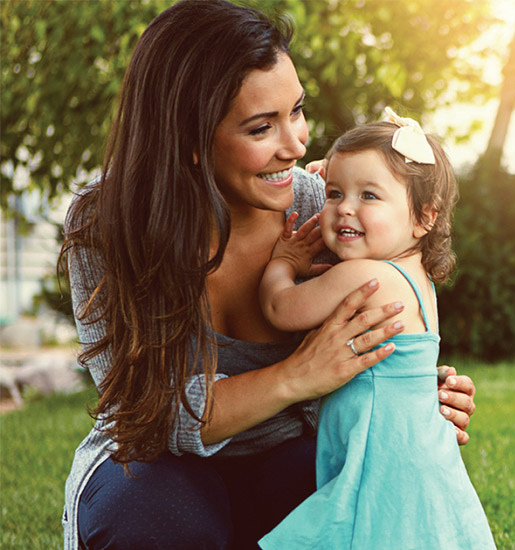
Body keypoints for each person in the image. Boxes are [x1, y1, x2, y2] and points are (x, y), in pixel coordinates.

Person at [58, 2, 478, 549]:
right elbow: (146, 414)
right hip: (155, 465)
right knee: (163, 518)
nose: (297, 144)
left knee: (357, 504)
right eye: (262, 127)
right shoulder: (108, 224)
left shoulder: (321, 211)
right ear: (187, 138)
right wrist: (294, 376)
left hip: (287, 453)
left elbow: (381, 314)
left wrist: (417, 392)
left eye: (296, 111)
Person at [257, 109, 494, 549]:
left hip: (382, 462)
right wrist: (348, 187)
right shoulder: (416, 278)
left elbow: (280, 307)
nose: (345, 207)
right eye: (333, 193)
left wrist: (283, 262)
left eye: (369, 196)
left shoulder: (366, 276)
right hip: (418, 456)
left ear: (424, 217)